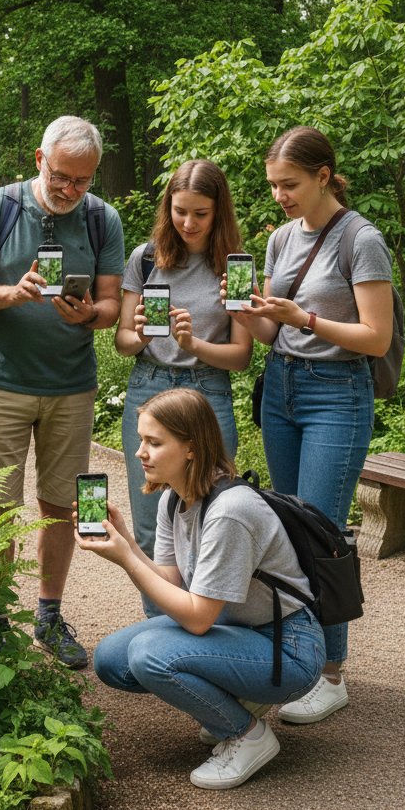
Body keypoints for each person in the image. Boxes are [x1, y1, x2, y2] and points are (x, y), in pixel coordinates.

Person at [78, 388, 325, 789]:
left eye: (154, 443)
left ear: (190, 449)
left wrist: (126, 558)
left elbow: (196, 618)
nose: (141, 452)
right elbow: (171, 581)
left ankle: (246, 735)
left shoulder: (230, 512)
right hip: (238, 630)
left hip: (288, 649)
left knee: (148, 655)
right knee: (111, 659)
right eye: (141, 439)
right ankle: (236, 702)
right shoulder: (174, 500)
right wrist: (125, 541)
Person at [228, 125, 393, 724]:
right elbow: (275, 331)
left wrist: (307, 317)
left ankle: (330, 674)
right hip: (283, 389)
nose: (280, 196)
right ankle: (295, 659)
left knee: (322, 535)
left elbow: (375, 338)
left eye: (290, 184)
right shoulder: (277, 240)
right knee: (289, 529)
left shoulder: (361, 239)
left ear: (324, 175)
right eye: (273, 185)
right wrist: (247, 314)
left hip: (337, 395)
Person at [0, 116, 125, 668]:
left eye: (82, 180)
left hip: (71, 388)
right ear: (39, 160)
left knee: (62, 505)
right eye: (61, 176)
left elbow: (112, 305)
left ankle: (48, 617)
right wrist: (11, 293)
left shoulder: (104, 221)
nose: (71, 189)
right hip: (2, 382)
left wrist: (91, 314)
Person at [115, 160, 252, 593]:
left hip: (208, 392)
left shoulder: (237, 266)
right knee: (151, 525)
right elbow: (121, 341)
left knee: (211, 521)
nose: (188, 223)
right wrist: (137, 335)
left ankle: (207, 627)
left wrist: (194, 345)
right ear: (167, 208)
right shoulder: (146, 257)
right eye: (179, 211)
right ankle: (161, 628)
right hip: (149, 386)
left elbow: (241, 356)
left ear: (219, 212)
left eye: (200, 213)